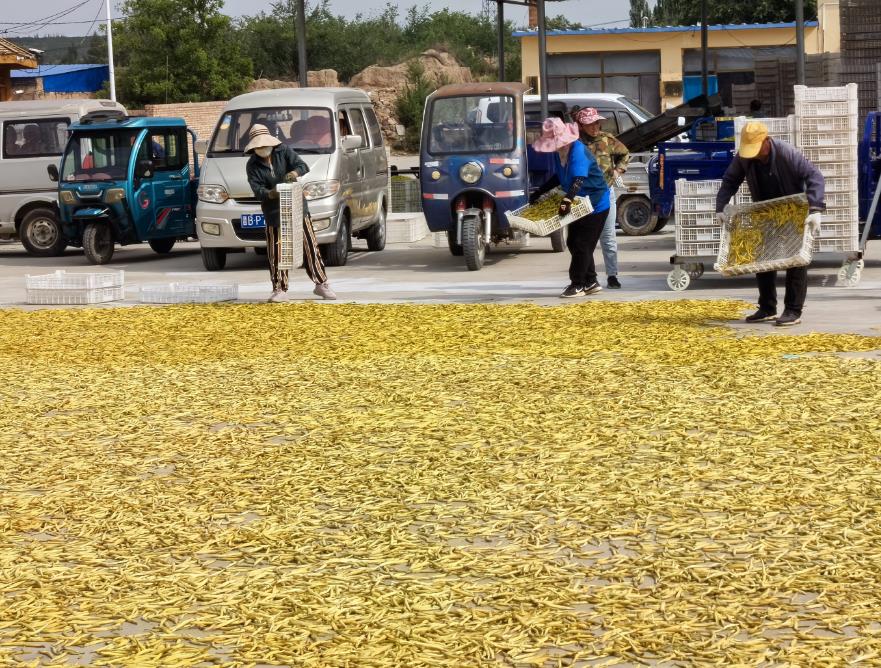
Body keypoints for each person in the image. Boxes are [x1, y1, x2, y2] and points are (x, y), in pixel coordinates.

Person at [716, 121, 825, 327]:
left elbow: (815, 176)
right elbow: (730, 180)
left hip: (793, 209)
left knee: (795, 260)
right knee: (763, 257)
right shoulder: (744, 158)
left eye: (756, 150)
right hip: (765, 211)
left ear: (766, 141)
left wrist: (816, 209)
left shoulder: (787, 153)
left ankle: (793, 310)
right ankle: (767, 307)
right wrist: (720, 207)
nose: (754, 155)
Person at [244, 123, 337, 303]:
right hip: (274, 213)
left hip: (297, 207)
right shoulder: (252, 165)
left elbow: (303, 166)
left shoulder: (283, 151)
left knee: (310, 246)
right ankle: (279, 288)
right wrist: (271, 192)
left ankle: (321, 284)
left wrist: (293, 173)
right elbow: (258, 190)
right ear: (254, 148)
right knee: (277, 251)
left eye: (265, 145)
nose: (263, 149)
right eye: (259, 147)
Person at [530, 117, 611, 298]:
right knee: (573, 242)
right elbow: (559, 177)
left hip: (595, 203)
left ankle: (577, 284)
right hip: (579, 203)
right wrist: (539, 192)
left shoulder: (577, 151)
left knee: (583, 244)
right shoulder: (561, 154)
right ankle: (591, 281)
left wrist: (566, 201)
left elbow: (578, 179)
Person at [574, 107, 630, 289]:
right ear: (582, 126)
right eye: (590, 124)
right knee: (584, 240)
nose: (595, 126)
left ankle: (612, 275)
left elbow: (624, 154)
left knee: (608, 237)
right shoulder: (576, 142)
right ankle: (590, 277)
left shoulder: (607, 139)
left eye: (597, 122)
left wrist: (617, 171)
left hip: (606, 193)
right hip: (582, 196)